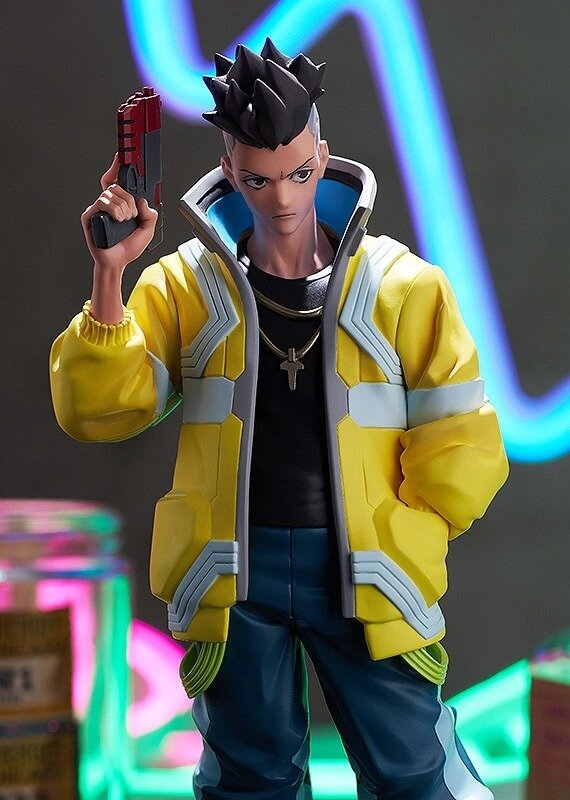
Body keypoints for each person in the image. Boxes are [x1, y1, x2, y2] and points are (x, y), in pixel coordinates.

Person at [50, 39, 508, 800]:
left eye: (298, 173)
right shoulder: (187, 288)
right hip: (235, 571)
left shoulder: (402, 287)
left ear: (323, 159)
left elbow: (462, 434)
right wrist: (110, 273)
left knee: (410, 766)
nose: (283, 199)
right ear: (230, 173)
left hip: (365, 565)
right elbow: (100, 409)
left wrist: (411, 528)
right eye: (259, 179)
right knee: (249, 774)